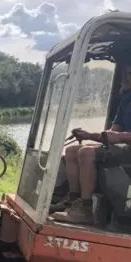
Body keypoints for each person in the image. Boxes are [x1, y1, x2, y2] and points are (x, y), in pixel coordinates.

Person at [50, 65, 131, 224]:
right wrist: (89, 135)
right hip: (124, 147)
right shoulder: (127, 100)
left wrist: (117, 136)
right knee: (72, 151)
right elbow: (113, 132)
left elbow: (119, 136)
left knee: (86, 153)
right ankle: (73, 200)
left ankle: (85, 210)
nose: (129, 78)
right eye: (128, 73)